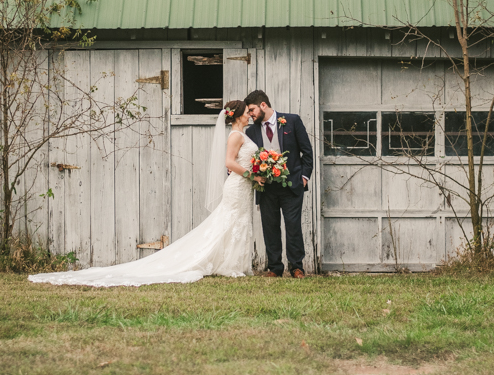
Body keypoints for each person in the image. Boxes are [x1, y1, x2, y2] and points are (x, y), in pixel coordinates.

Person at [28, 100, 257, 288]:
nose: (250, 115)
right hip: (237, 185)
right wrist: (252, 175)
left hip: (242, 186)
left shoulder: (241, 135)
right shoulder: (236, 136)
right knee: (229, 222)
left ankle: (231, 264)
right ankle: (228, 266)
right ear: (237, 116)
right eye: (247, 112)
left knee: (235, 223)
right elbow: (228, 162)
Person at [244, 90, 313, 279]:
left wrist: (304, 177)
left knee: (293, 226)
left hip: (292, 185)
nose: (250, 115)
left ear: (263, 105)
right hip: (266, 187)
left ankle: (296, 267)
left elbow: (307, 152)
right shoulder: (251, 131)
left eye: (252, 110)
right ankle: (275, 268)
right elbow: (250, 159)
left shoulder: (292, 121)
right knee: (270, 227)